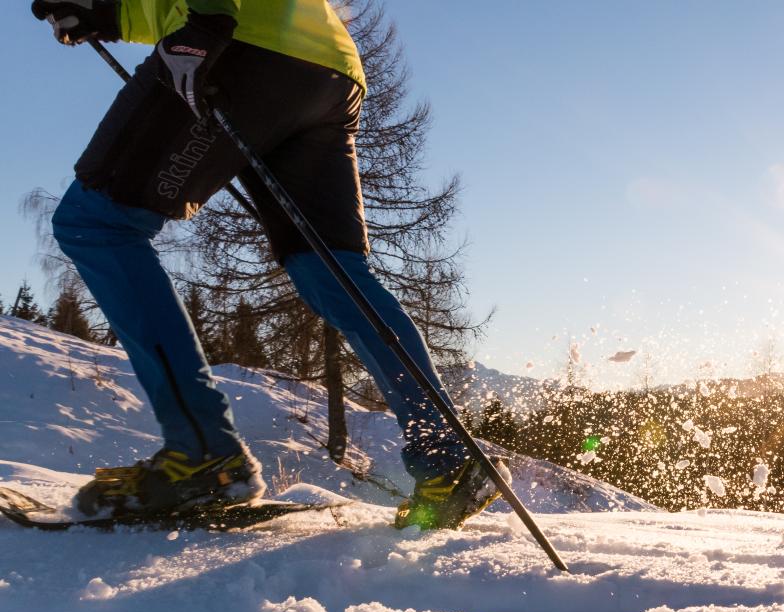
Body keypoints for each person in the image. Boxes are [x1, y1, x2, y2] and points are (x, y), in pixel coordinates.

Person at [31, 0, 497, 530]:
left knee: (98, 225)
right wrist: (108, 14)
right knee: (330, 269)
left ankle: (202, 456)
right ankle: (447, 459)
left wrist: (207, 19)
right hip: (324, 68)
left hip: (237, 42)